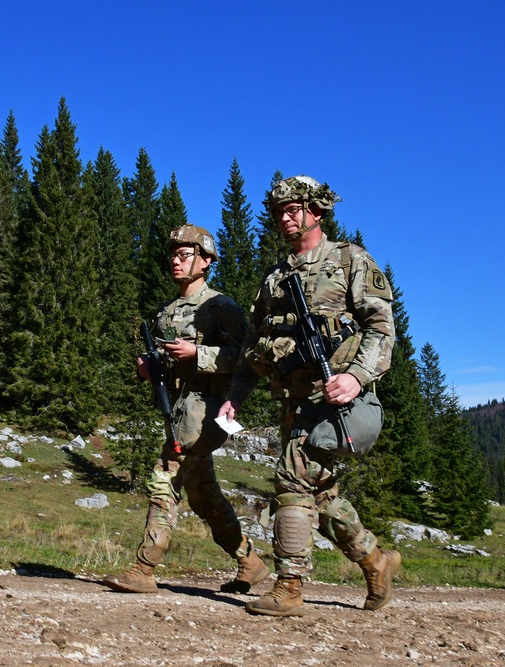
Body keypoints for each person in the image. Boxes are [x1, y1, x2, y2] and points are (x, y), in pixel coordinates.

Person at [218, 176, 400, 616]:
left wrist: (356, 376)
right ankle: (376, 561)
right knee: (320, 494)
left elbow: (381, 328)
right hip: (292, 400)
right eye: (279, 210)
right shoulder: (275, 278)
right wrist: (236, 396)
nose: (285, 217)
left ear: (316, 211)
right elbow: (252, 346)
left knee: (292, 481)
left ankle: (290, 585)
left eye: (294, 208)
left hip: (335, 398)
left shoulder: (349, 260)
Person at [103, 224, 270, 595]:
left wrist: (199, 354)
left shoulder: (221, 307)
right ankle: (250, 562)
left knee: (164, 476)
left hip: (205, 412)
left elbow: (247, 357)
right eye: (173, 256)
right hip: (178, 410)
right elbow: (168, 363)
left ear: (206, 261)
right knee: (204, 495)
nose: (175, 262)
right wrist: (150, 369)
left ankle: (144, 567)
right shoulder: (167, 310)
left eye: (184, 256)